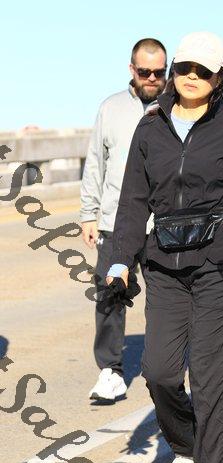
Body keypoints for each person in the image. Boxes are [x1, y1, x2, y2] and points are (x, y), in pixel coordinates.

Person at [107, 31, 223, 463]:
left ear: (218, 78)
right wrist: (121, 259)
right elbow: (133, 200)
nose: (192, 77)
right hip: (163, 265)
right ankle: (184, 443)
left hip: (219, 264)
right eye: (184, 69)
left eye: (203, 71)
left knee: (207, 374)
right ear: (173, 72)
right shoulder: (150, 128)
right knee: (158, 372)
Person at [80, 38, 167, 404]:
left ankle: (166, 370)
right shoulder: (110, 108)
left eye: (159, 72)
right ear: (132, 69)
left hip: (163, 224)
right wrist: (89, 213)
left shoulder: (177, 108)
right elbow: (95, 163)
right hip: (115, 221)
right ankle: (110, 371)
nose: (152, 78)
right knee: (109, 294)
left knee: (165, 299)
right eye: (145, 71)